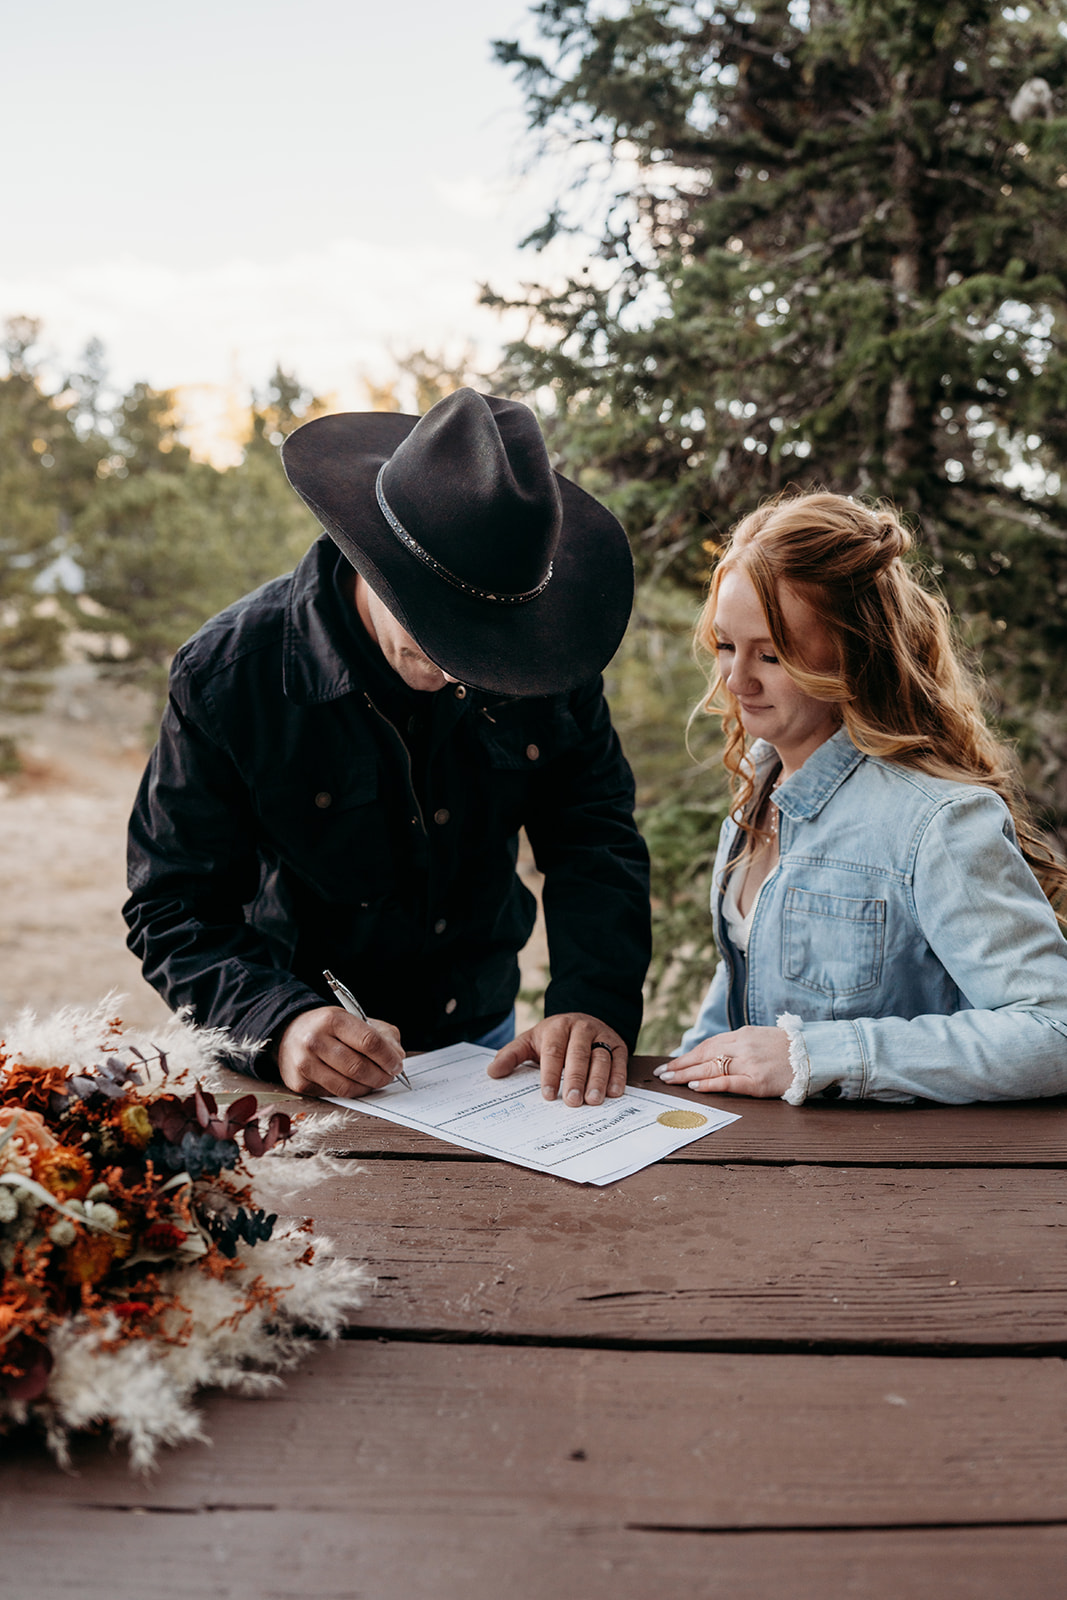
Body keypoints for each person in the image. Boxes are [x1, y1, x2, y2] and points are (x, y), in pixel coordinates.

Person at [125, 389, 651, 1106]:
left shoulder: (546, 659)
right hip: (297, 1063)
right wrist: (276, 1023)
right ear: (370, 558)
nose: (456, 671)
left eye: (484, 652)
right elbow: (173, 905)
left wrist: (594, 999)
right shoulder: (229, 674)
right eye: (438, 636)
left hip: (486, 1043)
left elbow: (594, 842)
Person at [654, 491, 1067, 1104]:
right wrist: (677, 1088)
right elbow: (747, 981)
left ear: (853, 651)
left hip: (898, 1179)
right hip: (767, 1173)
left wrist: (817, 1055)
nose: (736, 680)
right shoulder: (755, 798)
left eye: (771, 653)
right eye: (724, 646)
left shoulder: (938, 824)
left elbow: (1054, 1028)